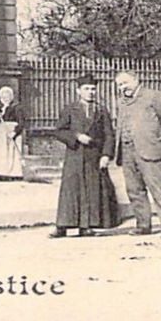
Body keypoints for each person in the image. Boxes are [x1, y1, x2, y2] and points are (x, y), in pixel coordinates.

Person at [113, 70, 161, 238]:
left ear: (136, 80)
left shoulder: (153, 96)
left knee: (158, 189)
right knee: (134, 190)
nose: (123, 88)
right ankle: (143, 225)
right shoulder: (121, 101)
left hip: (149, 149)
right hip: (127, 150)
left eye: (125, 83)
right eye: (120, 85)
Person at [51, 75, 119, 238]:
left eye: (93, 89)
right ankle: (63, 225)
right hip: (75, 155)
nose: (90, 92)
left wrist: (106, 155)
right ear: (78, 91)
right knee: (71, 190)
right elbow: (59, 131)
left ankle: (87, 225)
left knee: (92, 190)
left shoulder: (101, 110)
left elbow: (109, 135)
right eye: (86, 89)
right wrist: (76, 137)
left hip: (94, 156)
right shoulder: (70, 108)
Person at [0, 85, 26, 181]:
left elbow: (21, 122)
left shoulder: (16, 107)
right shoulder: (0, 109)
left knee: (12, 153)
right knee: (1, 152)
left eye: (7, 96)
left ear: (11, 97)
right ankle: (0, 172)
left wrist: (15, 132)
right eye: (3, 97)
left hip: (12, 132)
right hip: (0, 134)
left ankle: (14, 173)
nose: (5, 99)